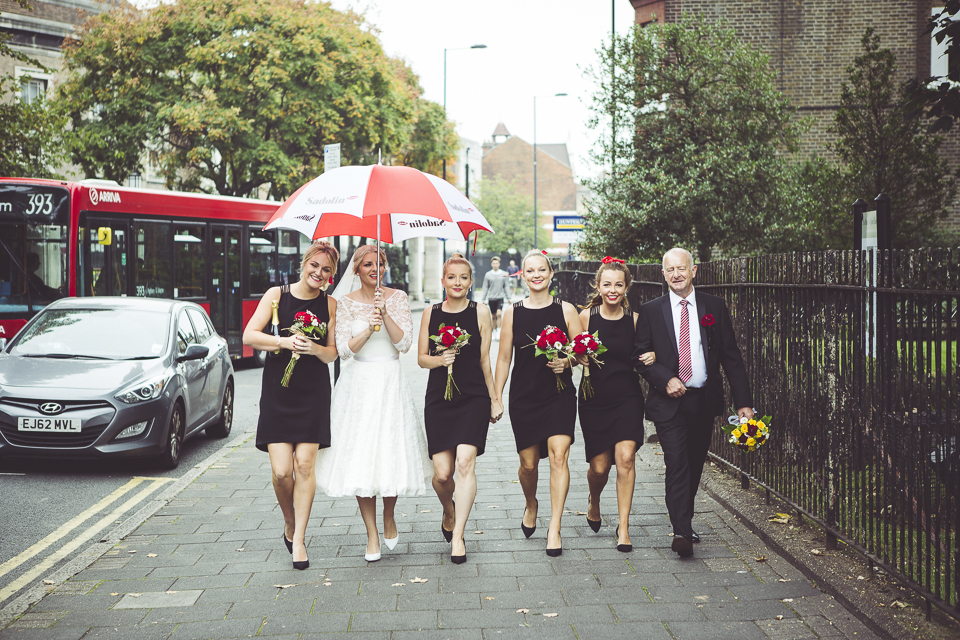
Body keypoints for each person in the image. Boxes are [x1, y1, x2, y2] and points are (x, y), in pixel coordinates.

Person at [633, 248, 754, 558]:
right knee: (676, 462)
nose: (676, 274)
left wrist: (744, 403)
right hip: (668, 402)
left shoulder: (713, 307)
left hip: (703, 398)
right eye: (670, 269)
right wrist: (665, 378)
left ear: (694, 270)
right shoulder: (650, 310)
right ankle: (681, 531)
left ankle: (683, 519)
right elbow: (641, 357)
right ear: (663, 274)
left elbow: (730, 356)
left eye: (681, 268)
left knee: (694, 462)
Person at [316, 244, 431, 562]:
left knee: (389, 449)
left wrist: (386, 315)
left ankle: (390, 515)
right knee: (362, 456)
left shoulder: (398, 298)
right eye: (368, 264)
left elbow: (405, 343)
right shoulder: (345, 303)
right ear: (357, 269)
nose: (375, 269)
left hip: (390, 380)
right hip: (359, 385)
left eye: (380, 263)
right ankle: (371, 534)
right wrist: (368, 326)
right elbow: (344, 349)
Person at [242, 240, 340, 571]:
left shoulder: (330, 304)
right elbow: (249, 336)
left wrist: (313, 348)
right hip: (278, 393)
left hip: (313, 392)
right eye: (315, 265)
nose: (319, 273)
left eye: (327, 270)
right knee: (282, 471)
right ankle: (289, 520)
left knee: (304, 466)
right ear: (305, 263)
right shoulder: (276, 295)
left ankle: (299, 540)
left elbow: (332, 353)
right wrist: (283, 342)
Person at [494, 249, 584, 556]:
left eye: (541, 270)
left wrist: (567, 361)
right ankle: (531, 503)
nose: (536, 275)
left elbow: (584, 352)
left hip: (558, 395)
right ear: (523, 275)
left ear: (550, 274)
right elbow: (504, 357)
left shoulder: (567, 310)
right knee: (528, 465)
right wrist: (496, 396)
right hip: (524, 396)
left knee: (559, 456)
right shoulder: (513, 312)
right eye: (530, 270)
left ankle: (554, 528)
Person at [418, 255, 503, 564]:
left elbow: (484, 360)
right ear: (443, 281)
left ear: (470, 281)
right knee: (442, 474)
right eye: (451, 277)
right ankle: (449, 509)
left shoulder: (480, 312)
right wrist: (441, 359)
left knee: (465, 463)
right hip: (439, 399)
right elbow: (421, 359)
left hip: (473, 397)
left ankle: (458, 537)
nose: (457, 282)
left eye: (463, 277)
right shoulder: (431, 312)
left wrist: (494, 398)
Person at [577, 259, 655, 552]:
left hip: (627, 398)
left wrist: (653, 356)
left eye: (618, 285)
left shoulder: (635, 320)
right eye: (607, 284)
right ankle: (594, 500)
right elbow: (569, 352)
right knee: (599, 468)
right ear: (598, 286)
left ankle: (623, 528)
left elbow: (648, 350)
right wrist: (576, 358)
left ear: (626, 288)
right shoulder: (585, 317)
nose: (612, 290)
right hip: (593, 399)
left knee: (625, 458)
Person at [482, 256, 509, 340]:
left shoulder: (503, 274)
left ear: (499, 264)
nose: (495, 265)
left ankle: (499, 331)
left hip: (500, 297)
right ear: (491, 264)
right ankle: (494, 332)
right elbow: (485, 287)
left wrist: (509, 298)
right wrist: (483, 298)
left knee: (499, 314)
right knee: (493, 316)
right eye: (493, 263)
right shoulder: (488, 275)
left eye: (496, 263)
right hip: (491, 298)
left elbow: (506, 287)